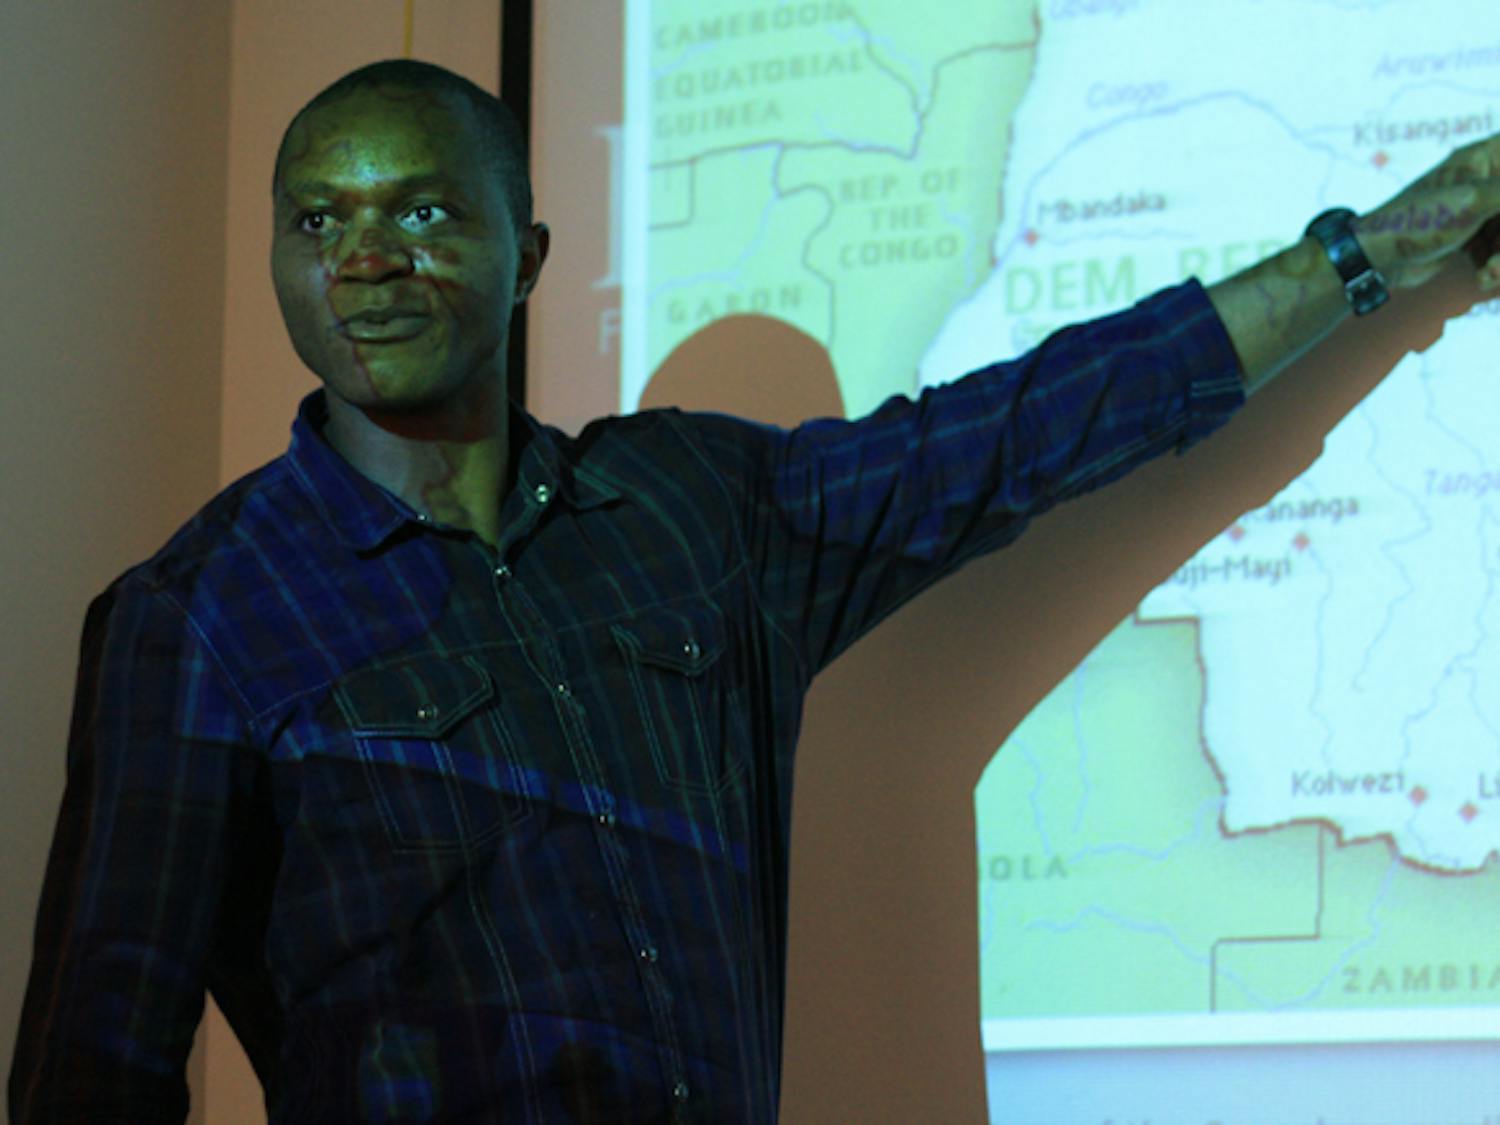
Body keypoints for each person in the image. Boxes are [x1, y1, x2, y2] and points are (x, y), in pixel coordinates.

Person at [10, 57, 1500, 1124]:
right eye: (316, 220)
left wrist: (1385, 245)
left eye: (421, 212)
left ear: (527, 255)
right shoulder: (193, 618)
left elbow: (1038, 422)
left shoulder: (694, 507)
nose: (367, 259)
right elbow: (95, 1066)